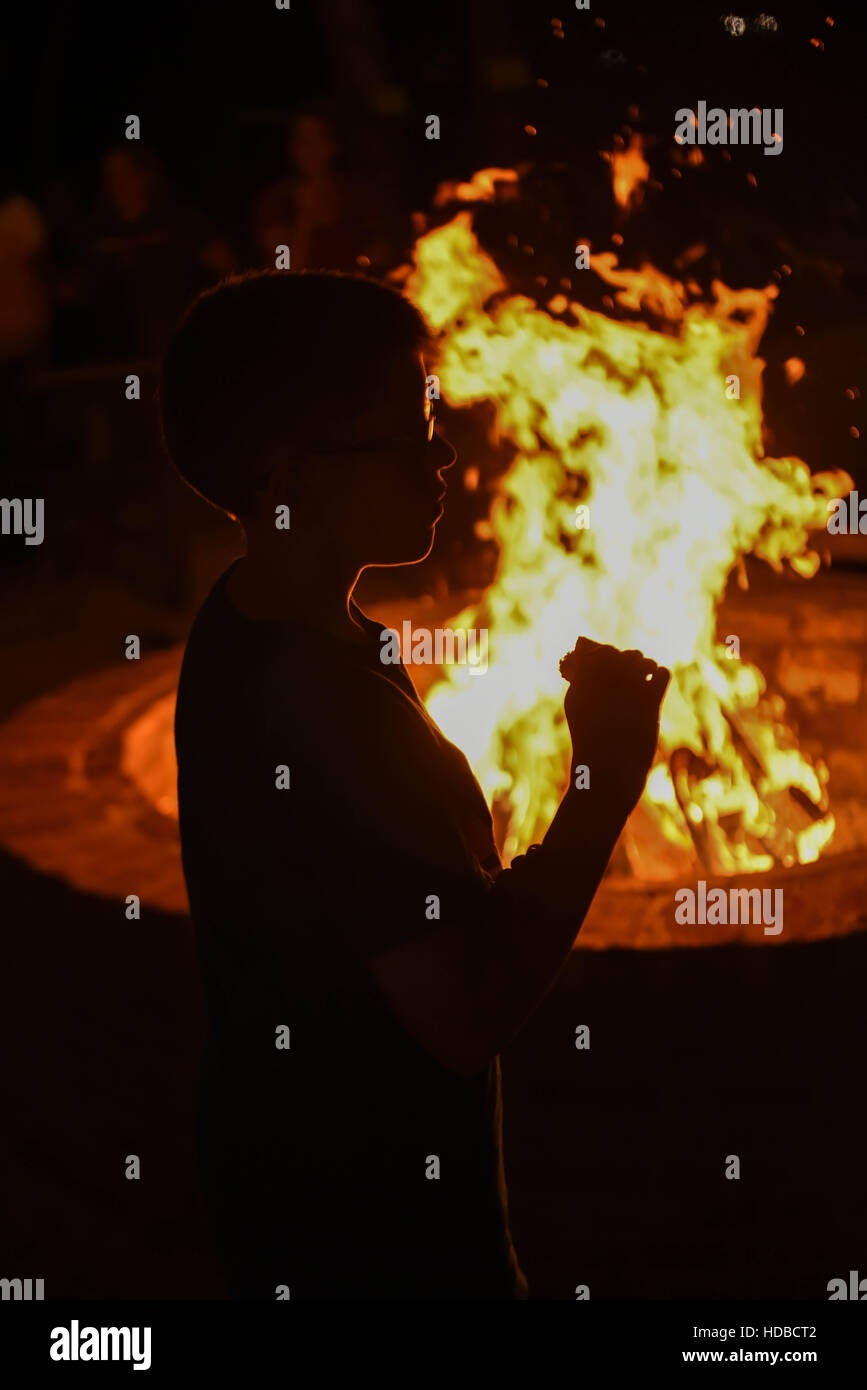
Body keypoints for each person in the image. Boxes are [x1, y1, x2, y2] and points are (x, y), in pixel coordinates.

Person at [160, 269, 669, 1300]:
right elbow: (465, 1015)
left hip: (288, 1202)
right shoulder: (316, 707)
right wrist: (600, 786)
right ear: (282, 469)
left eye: (428, 415)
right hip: (379, 1244)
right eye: (398, 432)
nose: (439, 453)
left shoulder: (260, 619)